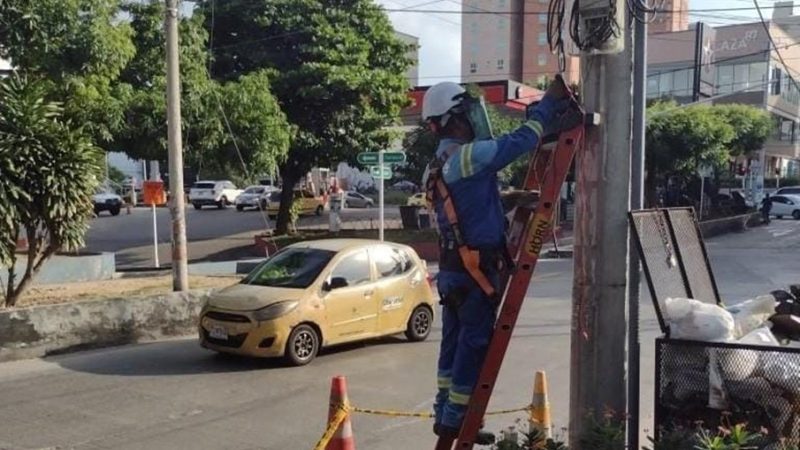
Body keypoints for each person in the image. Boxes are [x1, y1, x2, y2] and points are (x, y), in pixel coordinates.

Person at [421, 79, 571, 443]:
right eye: (468, 113)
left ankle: (446, 414)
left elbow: (463, 209)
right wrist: (546, 108)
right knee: (474, 346)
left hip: (454, 270)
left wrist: (507, 200)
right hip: (476, 273)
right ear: (455, 118)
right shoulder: (469, 155)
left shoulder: (437, 166)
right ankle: (461, 417)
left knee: (454, 344)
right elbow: (519, 142)